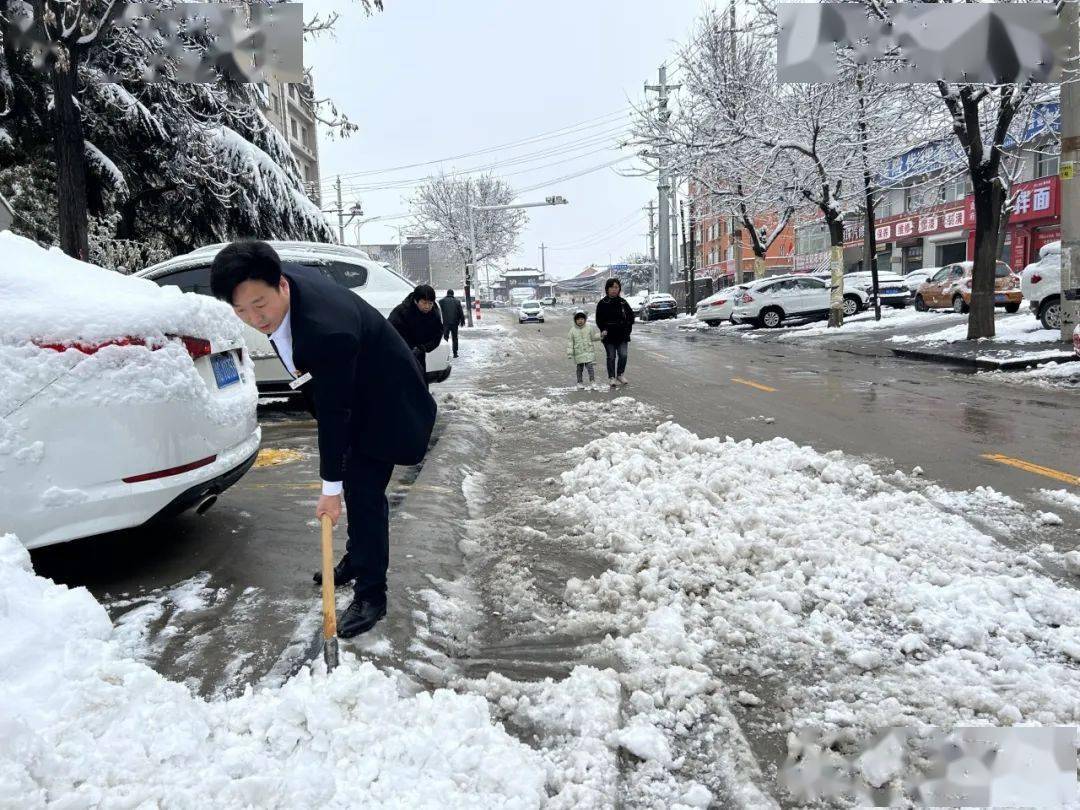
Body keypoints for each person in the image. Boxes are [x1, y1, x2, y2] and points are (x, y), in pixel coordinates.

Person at [210, 241, 437, 638]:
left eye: (259, 304)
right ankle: (357, 557)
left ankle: (372, 594)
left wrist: (329, 488)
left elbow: (336, 415)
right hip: (357, 390)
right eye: (241, 309)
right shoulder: (287, 289)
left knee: (363, 495)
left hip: (387, 405)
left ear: (281, 285)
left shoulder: (324, 331)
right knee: (353, 482)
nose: (253, 318)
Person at [388, 284, 444, 386]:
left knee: (420, 381)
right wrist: (404, 349)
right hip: (400, 353)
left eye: (430, 303)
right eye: (424, 303)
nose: (427, 306)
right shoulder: (401, 311)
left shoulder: (434, 313)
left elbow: (437, 335)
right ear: (415, 300)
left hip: (419, 352)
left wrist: (423, 348)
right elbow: (390, 332)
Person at [594, 277, 635, 388]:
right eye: (611, 287)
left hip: (622, 335)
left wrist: (627, 329)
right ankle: (612, 377)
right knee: (611, 357)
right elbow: (599, 319)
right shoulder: (602, 303)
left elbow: (631, 317)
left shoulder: (623, 302)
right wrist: (603, 329)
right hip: (608, 336)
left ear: (619, 289)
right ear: (607, 289)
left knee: (623, 355)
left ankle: (620, 374)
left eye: (616, 287)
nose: (614, 289)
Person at [566, 310, 602, 390]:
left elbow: (593, 337)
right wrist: (570, 353)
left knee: (590, 368)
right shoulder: (572, 330)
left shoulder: (589, 328)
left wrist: (601, 335)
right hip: (578, 353)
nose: (580, 321)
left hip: (588, 352)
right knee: (579, 369)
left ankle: (592, 381)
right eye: (578, 319)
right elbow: (570, 342)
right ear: (575, 320)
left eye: (582, 319)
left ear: (585, 320)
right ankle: (579, 382)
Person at [438, 289, 466, 358]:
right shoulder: (457, 301)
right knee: (455, 338)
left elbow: (438, 311)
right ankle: (455, 353)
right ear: (453, 294)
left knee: (445, 338)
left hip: (445, 323)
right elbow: (460, 312)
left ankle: (444, 353)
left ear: (447, 294)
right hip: (454, 323)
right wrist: (462, 321)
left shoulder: (441, 301)